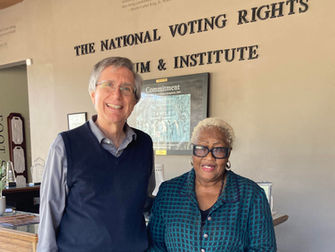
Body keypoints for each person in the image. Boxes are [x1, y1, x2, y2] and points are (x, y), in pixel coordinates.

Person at [37, 57, 155, 252]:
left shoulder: (144, 144)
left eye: (126, 88)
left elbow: (143, 201)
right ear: (93, 94)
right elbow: (50, 215)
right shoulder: (65, 145)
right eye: (108, 85)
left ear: (135, 100)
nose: (116, 95)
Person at [148, 117, 276, 251]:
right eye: (201, 148)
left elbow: (264, 248)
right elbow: (155, 245)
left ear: (228, 153)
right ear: (193, 151)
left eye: (218, 150)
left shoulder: (251, 195)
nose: (209, 157)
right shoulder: (168, 192)